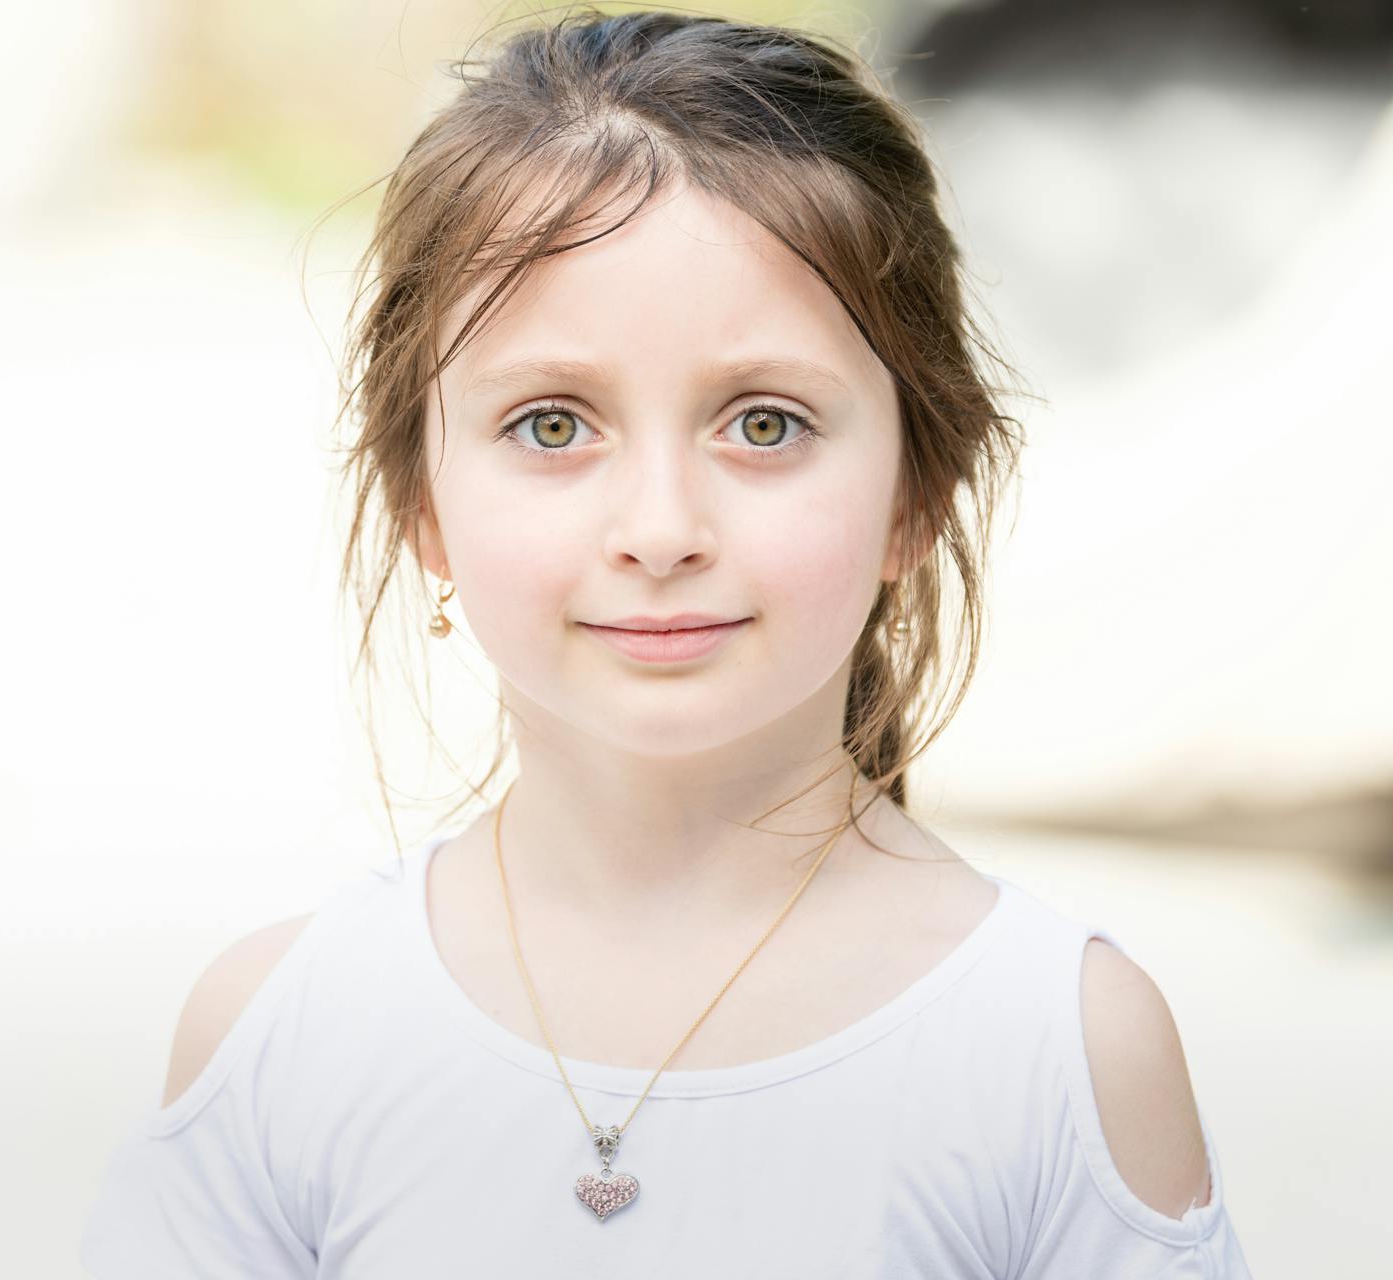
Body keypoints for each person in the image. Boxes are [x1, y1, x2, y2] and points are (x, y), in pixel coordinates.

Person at [79, 11, 1252, 1276]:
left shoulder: (1059, 1046)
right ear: (423, 500)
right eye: (549, 424)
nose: (659, 528)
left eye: (763, 424)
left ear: (916, 488)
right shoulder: (281, 1038)